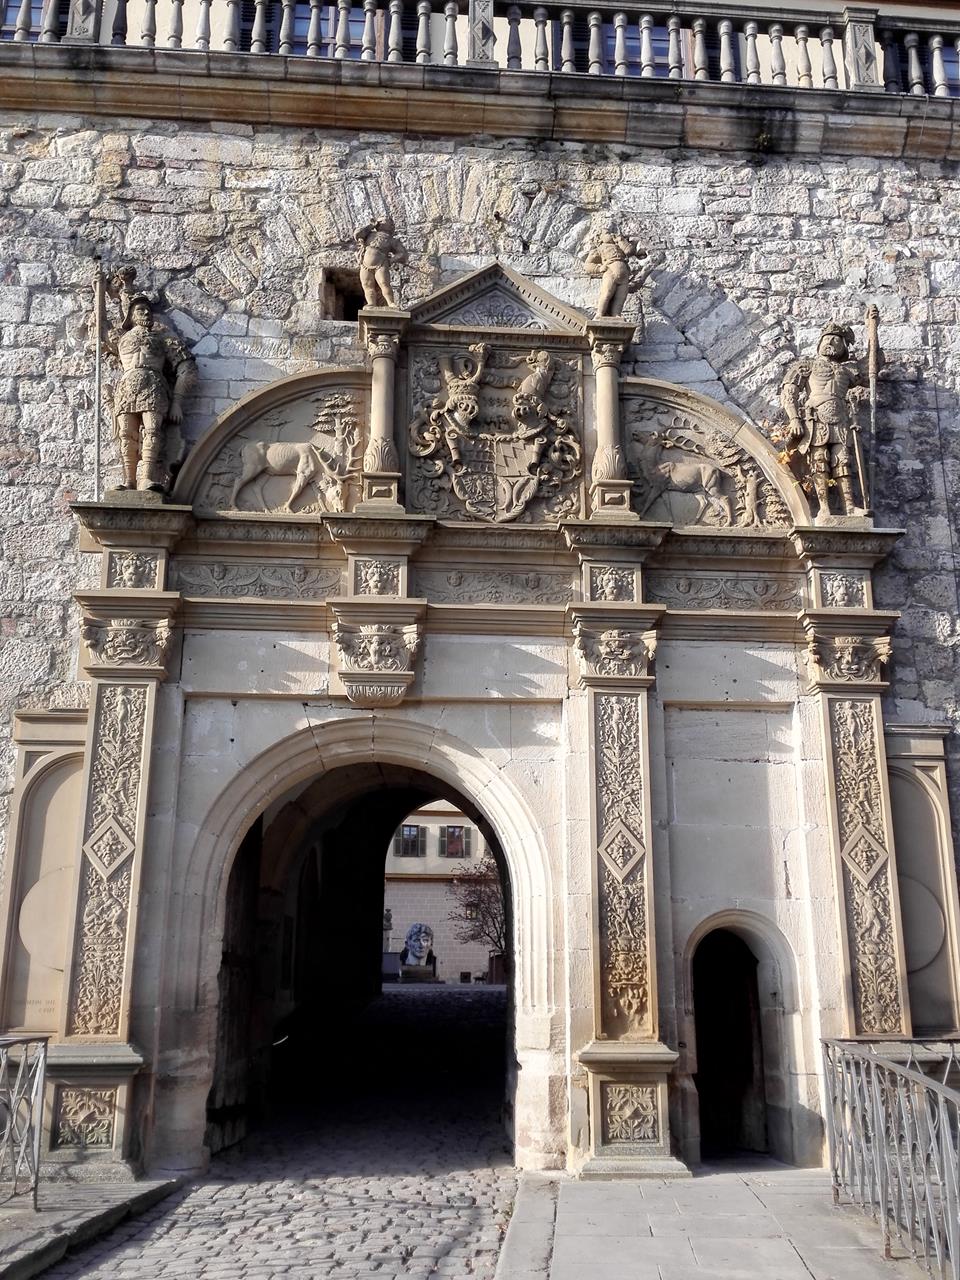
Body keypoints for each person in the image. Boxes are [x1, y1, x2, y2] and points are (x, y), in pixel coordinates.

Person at [781, 310, 881, 517]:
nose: (831, 343)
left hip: (841, 419)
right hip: (816, 418)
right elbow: (789, 391)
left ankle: (850, 507)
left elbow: (871, 368)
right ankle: (824, 508)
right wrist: (794, 419)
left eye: (836, 340)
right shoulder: (806, 366)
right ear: (820, 343)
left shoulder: (847, 371)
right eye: (827, 338)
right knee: (819, 461)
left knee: (843, 461)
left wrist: (873, 329)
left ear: (843, 346)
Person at [106, 295, 196, 492]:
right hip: (126, 388)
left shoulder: (163, 337)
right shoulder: (121, 339)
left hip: (153, 385)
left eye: (148, 309)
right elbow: (101, 331)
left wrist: (177, 402)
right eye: (140, 310)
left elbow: (187, 367)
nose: (146, 313)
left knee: (152, 431)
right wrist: (100, 288)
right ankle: (129, 480)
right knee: (126, 434)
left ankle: (146, 477)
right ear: (131, 316)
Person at [354, 217, 408, 309]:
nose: (380, 222)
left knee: (384, 283)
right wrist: (371, 225)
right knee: (367, 285)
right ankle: (371, 303)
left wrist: (391, 260)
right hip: (365, 263)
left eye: (384, 221)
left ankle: (391, 303)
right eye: (380, 221)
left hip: (381, 263)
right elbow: (357, 234)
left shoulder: (391, 240)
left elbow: (402, 254)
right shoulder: (369, 234)